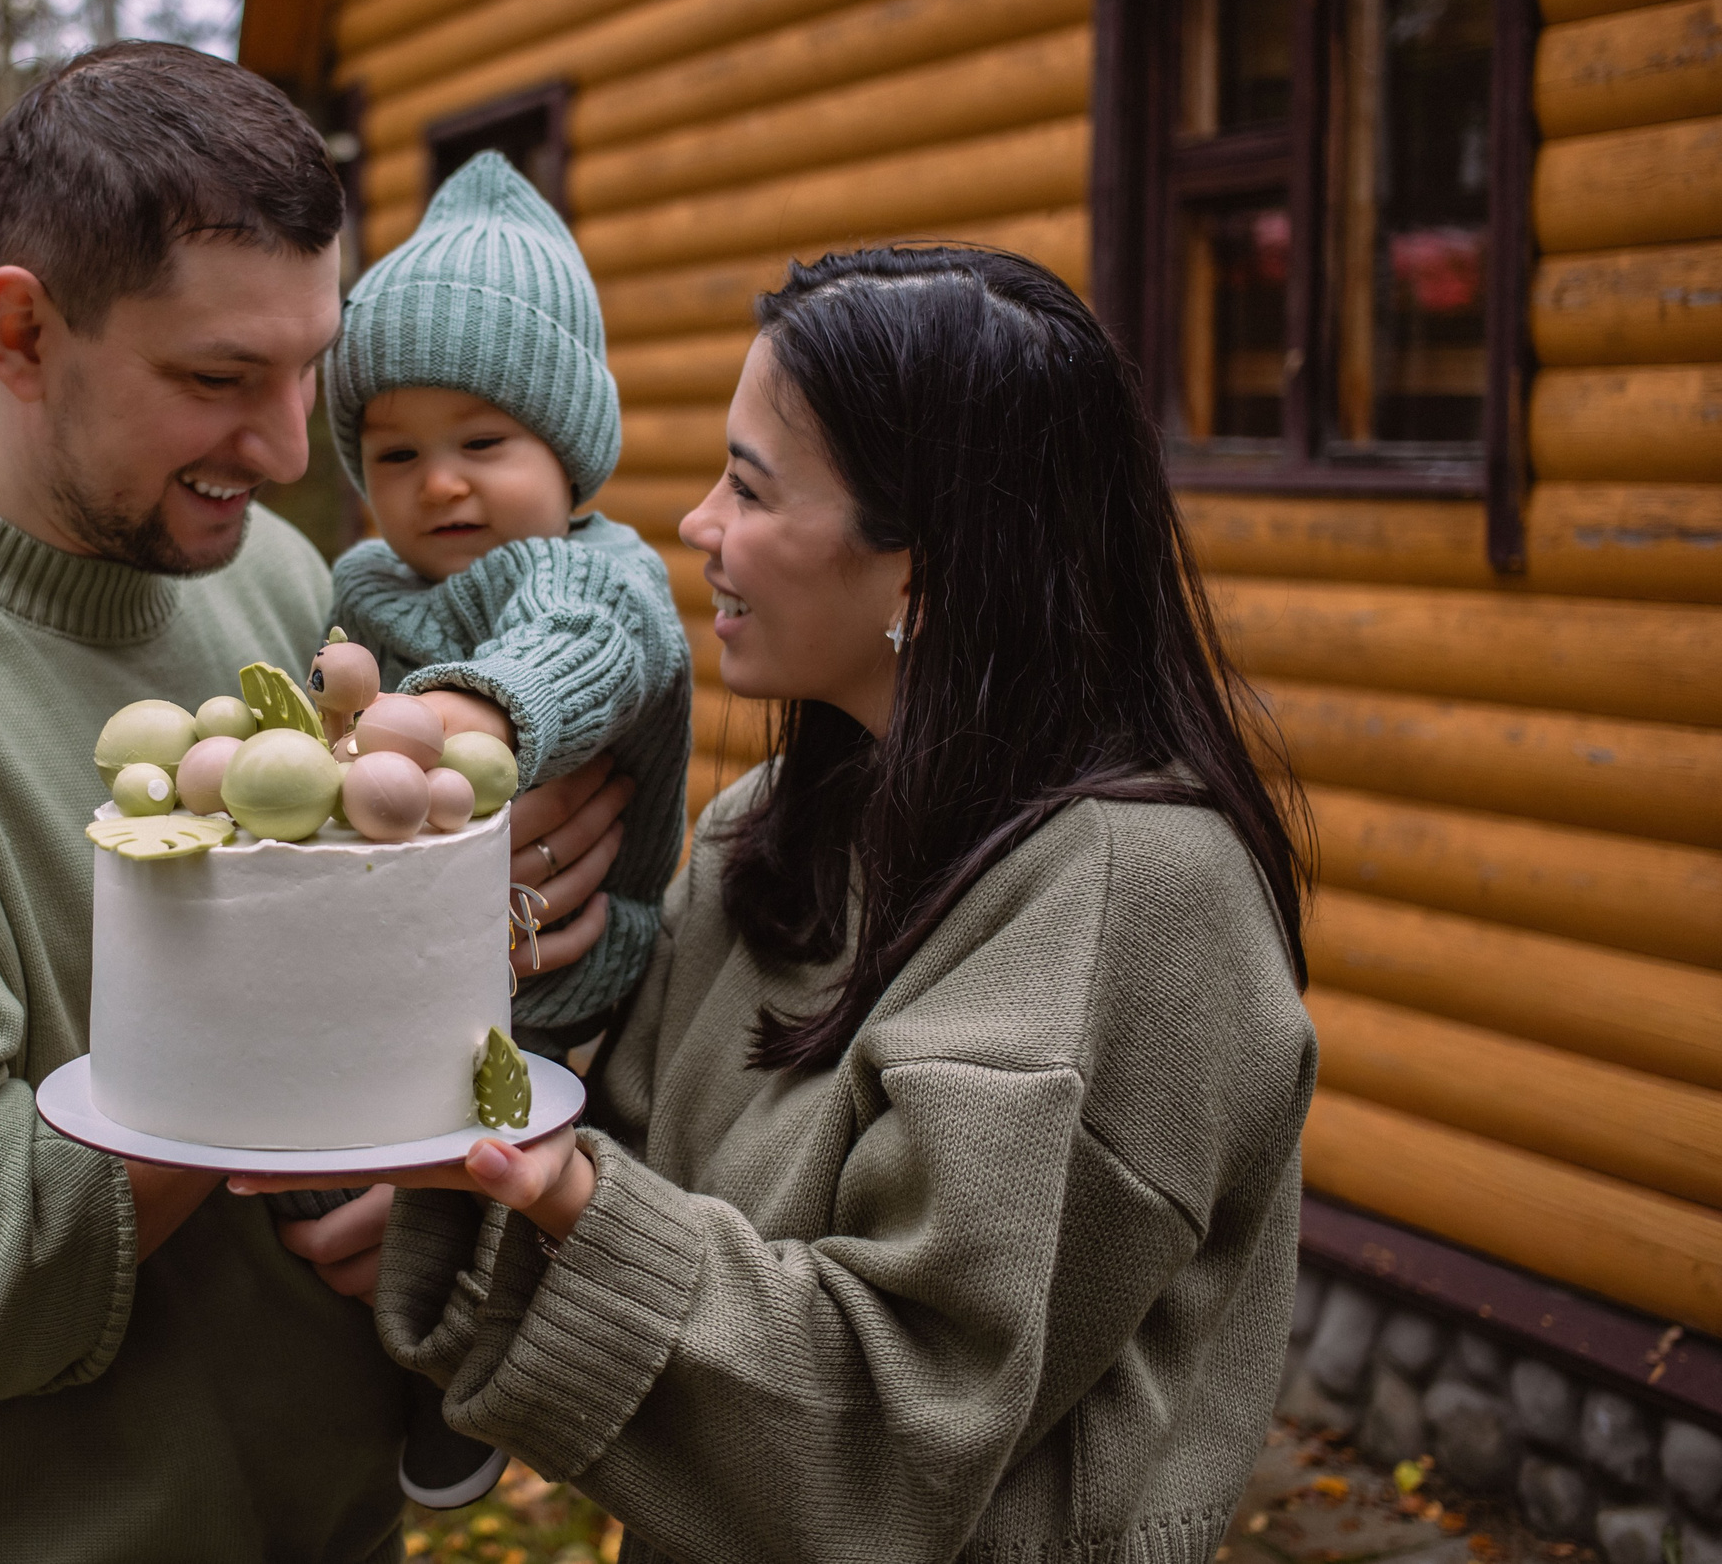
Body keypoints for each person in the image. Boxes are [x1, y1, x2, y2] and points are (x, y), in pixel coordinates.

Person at [0, 41, 631, 1563]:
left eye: (308, 371)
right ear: (20, 332)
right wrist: (290, 1023)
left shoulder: (273, 580)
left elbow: (356, 1084)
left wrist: (465, 990)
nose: (286, 451)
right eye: (216, 379)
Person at [251, 246, 1318, 1564]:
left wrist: (556, 1196)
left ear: (920, 568)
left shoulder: (1132, 898)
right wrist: (466, 1108)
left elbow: (891, 1437)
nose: (695, 524)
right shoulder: (771, 820)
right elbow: (630, 1164)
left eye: (749, 487)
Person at [269, 147, 690, 1510]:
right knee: (317, 1158)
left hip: (568, 970)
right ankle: (370, 1360)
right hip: (388, 953)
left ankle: (473, 1377)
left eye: (484, 442)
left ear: (571, 453)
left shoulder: (600, 570)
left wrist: (475, 721)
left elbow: (580, 649)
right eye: (397, 451)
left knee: (489, 1160)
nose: (440, 482)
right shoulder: (358, 583)